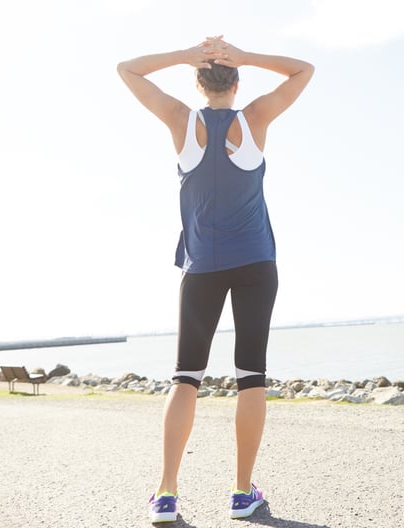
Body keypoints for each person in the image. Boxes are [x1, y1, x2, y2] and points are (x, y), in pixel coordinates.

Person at [117, 36, 314, 522]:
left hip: (201, 268)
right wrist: (244, 56)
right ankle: (242, 494)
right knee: (251, 378)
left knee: (186, 378)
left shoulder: (182, 121)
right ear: (236, 81)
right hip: (255, 266)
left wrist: (185, 55)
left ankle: (166, 494)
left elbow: (128, 69)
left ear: (199, 82)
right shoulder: (254, 119)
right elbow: (303, 70)